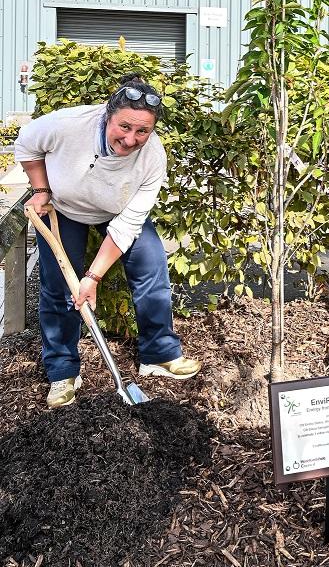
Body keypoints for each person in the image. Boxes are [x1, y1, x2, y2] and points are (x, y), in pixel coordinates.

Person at [15, 75, 201, 409]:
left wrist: (94, 277)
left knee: (151, 268)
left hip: (116, 211)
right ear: (107, 115)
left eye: (142, 131)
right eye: (124, 127)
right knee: (58, 288)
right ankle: (63, 371)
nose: (131, 139)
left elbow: (127, 225)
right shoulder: (68, 124)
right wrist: (41, 189)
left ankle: (158, 355)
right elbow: (26, 144)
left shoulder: (153, 158)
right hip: (64, 208)